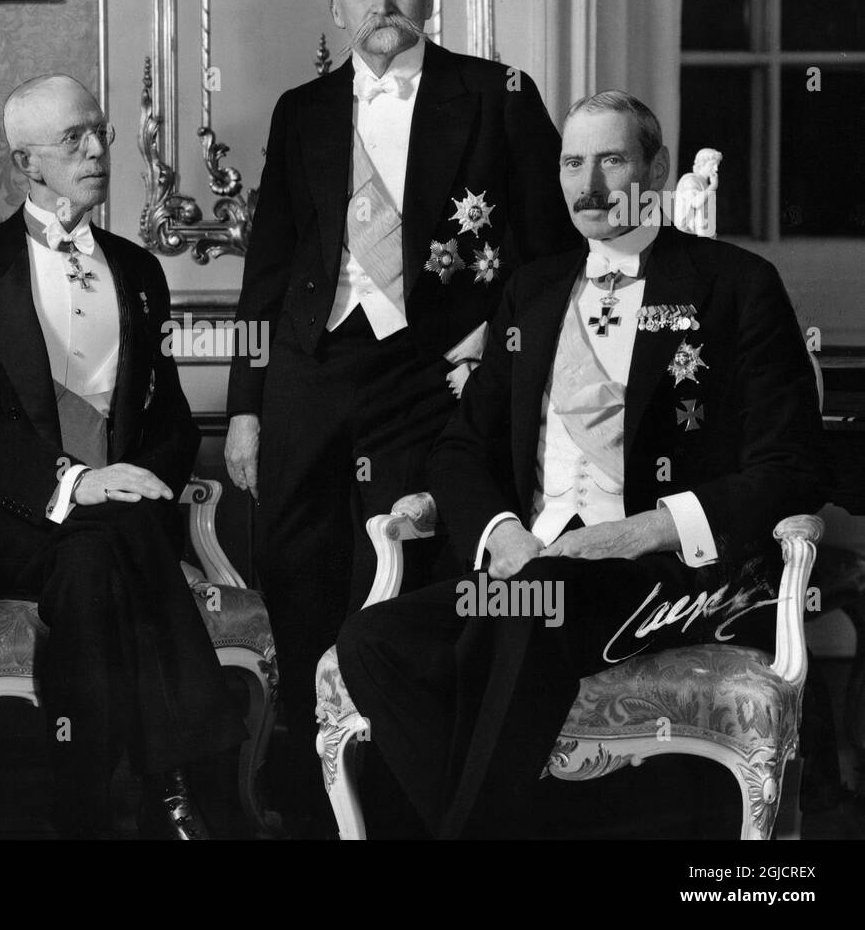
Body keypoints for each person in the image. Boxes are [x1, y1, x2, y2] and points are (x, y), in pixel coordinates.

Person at [336, 91, 826, 837]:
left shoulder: (737, 286)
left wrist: (639, 532)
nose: (589, 185)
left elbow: (789, 468)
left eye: (611, 160)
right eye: (572, 162)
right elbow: (459, 447)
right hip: (527, 578)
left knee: (536, 603)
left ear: (655, 169)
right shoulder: (531, 293)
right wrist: (501, 532)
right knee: (374, 640)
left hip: (666, 584)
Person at [223, 0, 579, 819]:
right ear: (336, 2)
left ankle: (402, 792)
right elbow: (266, 270)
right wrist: (245, 407)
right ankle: (311, 793)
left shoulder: (496, 95)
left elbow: (547, 256)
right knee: (297, 563)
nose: (383, 5)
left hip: (434, 373)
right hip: (312, 363)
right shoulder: (301, 110)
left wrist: (492, 345)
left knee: (412, 564)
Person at [0, 74, 245, 839]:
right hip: (11, 518)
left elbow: (166, 417)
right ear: (26, 163)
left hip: (118, 525)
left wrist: (139, 485)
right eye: (74, 139)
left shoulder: (140, 270)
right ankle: (178, 792)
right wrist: (75, 483)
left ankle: (85, 812)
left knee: (99, 555)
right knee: (103, 544)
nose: (98, 149)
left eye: (100, 132)